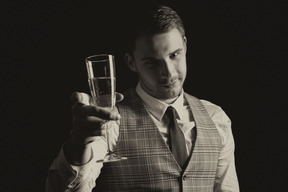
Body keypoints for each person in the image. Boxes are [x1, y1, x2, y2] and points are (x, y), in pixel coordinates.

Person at [46, 4, 239, 192]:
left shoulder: (216, 118)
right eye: (152, 62)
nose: (168, 73)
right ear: (131, 62)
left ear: (185, 45)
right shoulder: (109, 121)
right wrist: (79, 143)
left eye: (174, 55)